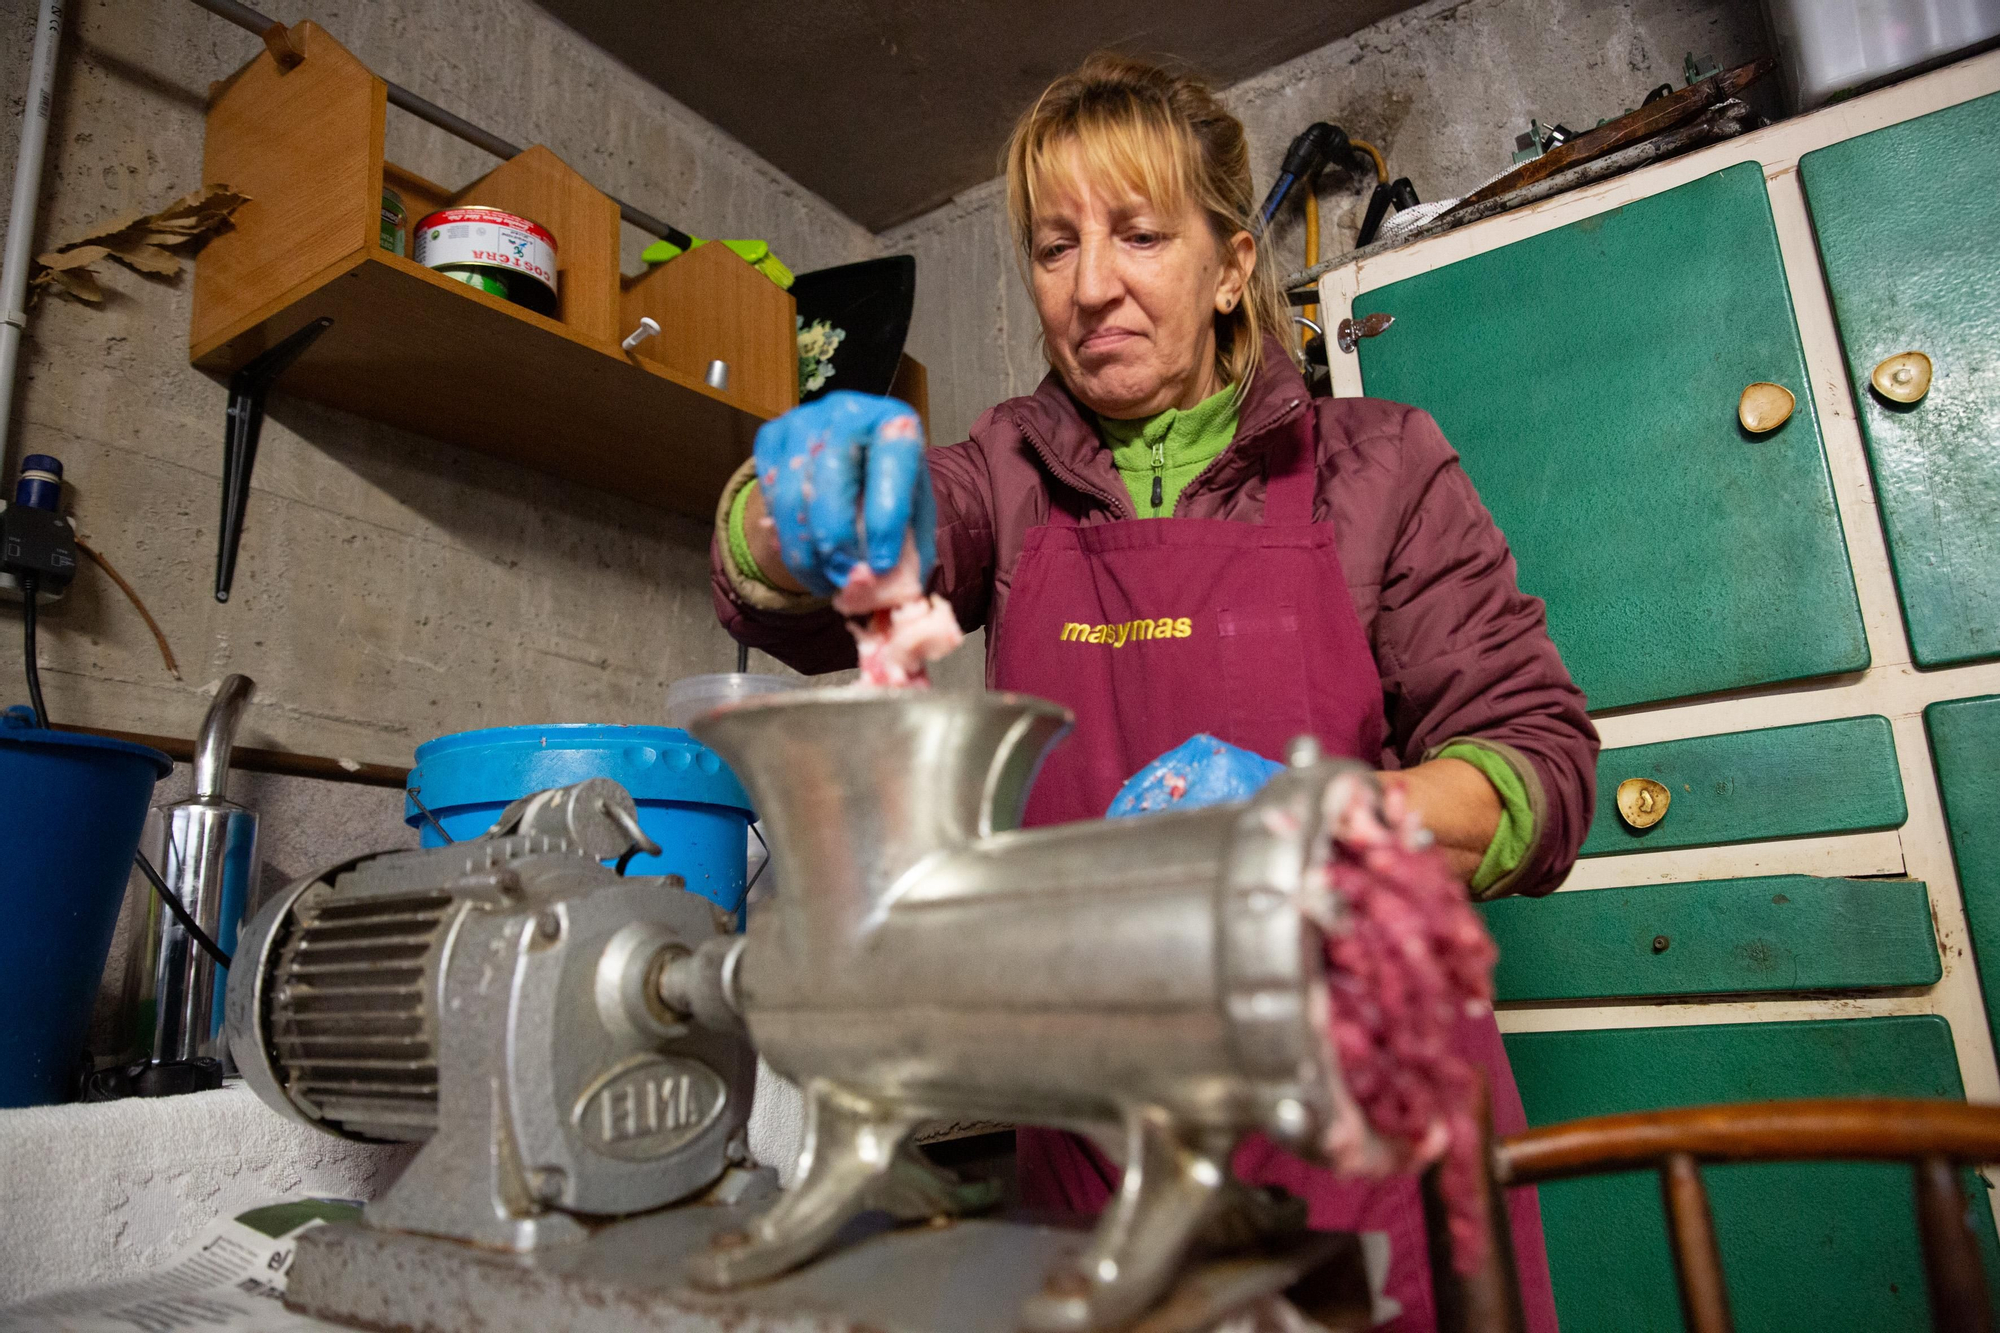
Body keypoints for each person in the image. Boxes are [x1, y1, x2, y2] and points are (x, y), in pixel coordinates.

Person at [712, 53, 1596, 1333]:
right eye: (1053, 244)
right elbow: (811, 584)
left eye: (1138, 234)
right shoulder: (1008, 474)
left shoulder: (1378, 466)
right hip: (1099, 1137)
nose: (1089, 287)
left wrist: (1325, 823)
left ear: (1231, 262)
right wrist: (782, 515)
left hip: (1360, 1120)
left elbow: (1537, 766)